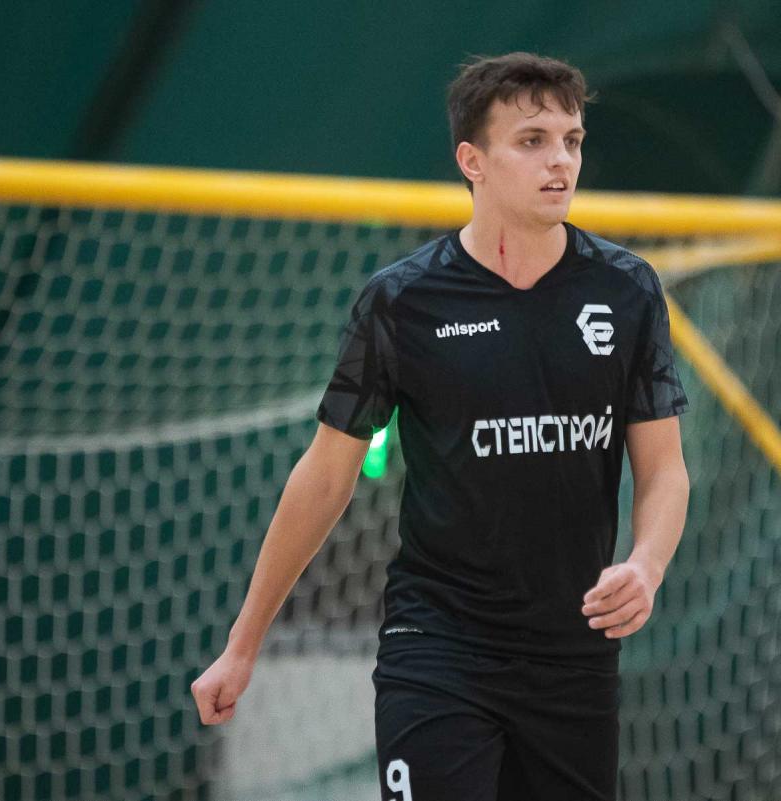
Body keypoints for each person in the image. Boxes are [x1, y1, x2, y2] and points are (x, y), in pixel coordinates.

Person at [191, 52, 690, 801]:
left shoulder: (627, 290)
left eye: (572, 140)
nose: (560, 160)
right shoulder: (403, 301)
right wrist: (242, 645)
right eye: (532, 141)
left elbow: (664, 470)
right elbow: (325, 477)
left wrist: (646, 565)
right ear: (472, 161)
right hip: (439, 647)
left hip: (574, 656)